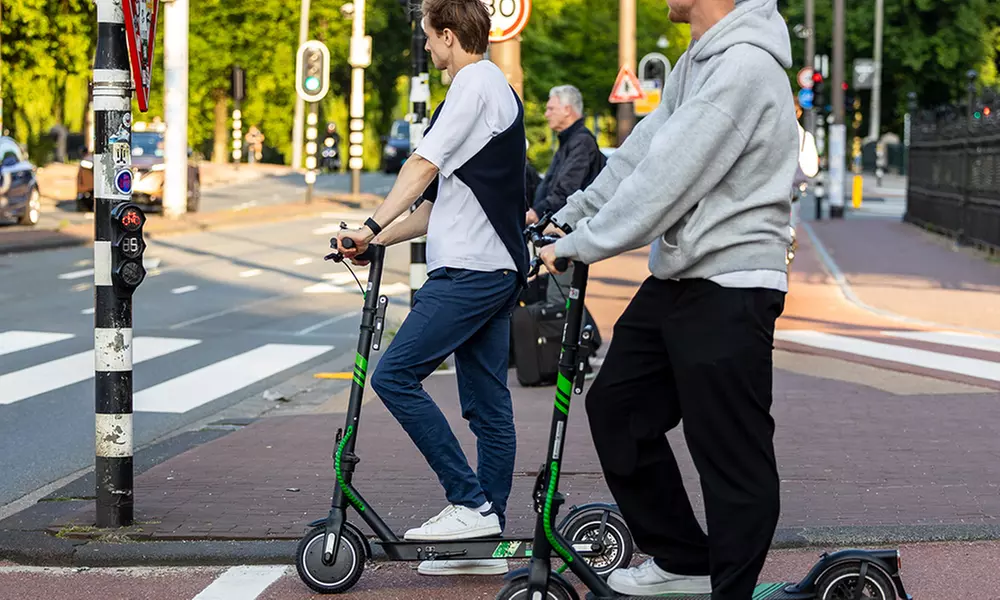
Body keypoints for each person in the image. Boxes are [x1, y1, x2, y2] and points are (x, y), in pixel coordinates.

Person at [537, 0, 798, 597]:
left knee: (729, 456)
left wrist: (586, 244)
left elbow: (667, 179)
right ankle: (685, 561)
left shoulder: (746, 68)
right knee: (619, 409)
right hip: (680, 279)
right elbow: (638, 155)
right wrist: (568, 218)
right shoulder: (695, 63)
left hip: (732, 284)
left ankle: (731, 589)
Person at [335, 0, 526, 578]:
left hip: (469, 272)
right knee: (487, 404)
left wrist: (368, 222)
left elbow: (420, 168)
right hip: (489, 266)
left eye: (428, 38)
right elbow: (436, 207)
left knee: (393, 376)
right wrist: (379, 239)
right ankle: (485, 532)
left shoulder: (472, 85)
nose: (427, 48)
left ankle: (468, 503)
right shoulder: (490, 88)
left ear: (448, 35)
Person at [527, 85, 605, 306]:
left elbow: (566, 190)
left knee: (559, 301)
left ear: (567, 110)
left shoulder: (581, 142)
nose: (546, 114)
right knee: (558, 298)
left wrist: (534, 214)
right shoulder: (569, 141)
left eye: (551, 108)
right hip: (562, 230)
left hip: (567, 231)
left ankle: (581, 339)